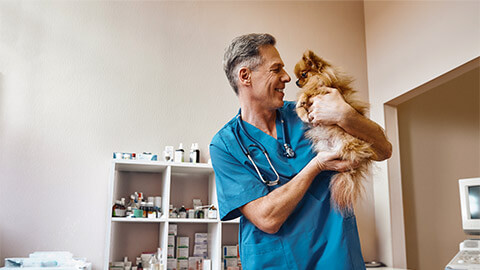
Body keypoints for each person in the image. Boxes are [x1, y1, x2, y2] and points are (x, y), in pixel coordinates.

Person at [209, 33, 392, 270]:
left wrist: (346, 115)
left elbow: (382, 150)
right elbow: (267, 218)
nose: (287, 77)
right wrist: (316, 166)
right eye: (276, 69)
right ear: (245, 76)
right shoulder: (225, 145)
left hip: (336, 256)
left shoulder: (307, 112)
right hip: (275, 262)